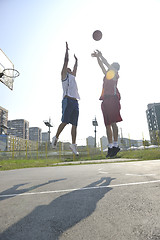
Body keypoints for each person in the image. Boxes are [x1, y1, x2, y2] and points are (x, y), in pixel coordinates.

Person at [91, 50, 122, 157]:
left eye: (111, 67)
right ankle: (110, 147)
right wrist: (97, 58)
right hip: (105, 100)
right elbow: (101, 66)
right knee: (107, 124)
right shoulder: (107, 75)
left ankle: (116, 145)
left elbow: (107, 64)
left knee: (113, 123)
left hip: (113, 99)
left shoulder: (115, 75)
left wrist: (101, 56)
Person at [52, 42, 80, 156]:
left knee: (75, 124)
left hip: (75, 102)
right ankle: (56, 137)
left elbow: (75, 67)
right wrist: (67, 51)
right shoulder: (64, 76)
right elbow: (66, 62)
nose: (69, 69)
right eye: (68, 68)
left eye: (70, 69)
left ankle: (73, 145)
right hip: (67, 100)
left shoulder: (73, 76)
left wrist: (77, 61)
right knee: (64, 122)